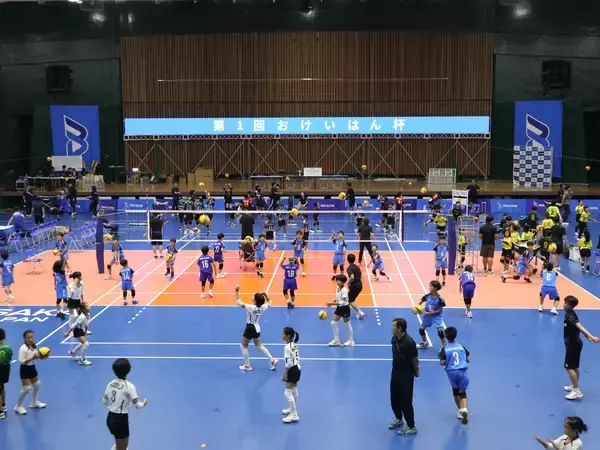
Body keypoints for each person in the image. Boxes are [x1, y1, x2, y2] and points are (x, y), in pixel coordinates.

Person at [103, 358, 148, 450]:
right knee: (123, 447)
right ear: (128, 371)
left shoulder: (110, 384)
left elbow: (104, 401)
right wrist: (144, 403)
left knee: (118, 442)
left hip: (110, 418)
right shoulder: (130, 387)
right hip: (120, 420)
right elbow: (137, 405)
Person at [562, 295, 599, 400]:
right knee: (575, 366)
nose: (565, 305)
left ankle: (576, 391)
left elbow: (580, 326)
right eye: (565, 303)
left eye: (567, 304)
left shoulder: (570, 315)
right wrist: (588, 337)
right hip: (575, 343)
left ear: (572, 306)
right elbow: (577, 329)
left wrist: (591, 336)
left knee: (569, 367)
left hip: (573, 345)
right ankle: (574, 386)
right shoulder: (570, 314)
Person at [235, 285, 277, 372]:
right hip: (257, 327)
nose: (252, 297)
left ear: (255, 300)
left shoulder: (251, 307)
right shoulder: (263, 307)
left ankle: (247, 366)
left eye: (253, 297)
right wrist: (266, 296)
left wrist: (237, 291)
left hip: (250, 327)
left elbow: (238, 302)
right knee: (259, 346)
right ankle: (272, 360)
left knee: (243, 346)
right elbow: (270, 302)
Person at [389, 318, 419, 436]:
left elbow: (415, 359)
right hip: (396, 372)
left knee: (406, 401)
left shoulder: (409, 342)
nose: (392, 327)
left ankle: (411, 426)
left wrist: (416, 370)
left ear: (400, 328)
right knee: (394, 398)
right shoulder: (394, 339)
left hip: (406, 375)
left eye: (393, 326)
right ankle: (398, 418)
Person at [439, 326, 470, 424]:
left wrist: (446, 362)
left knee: (455, 392)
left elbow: (442, 362)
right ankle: (465, 409)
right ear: (455, 335)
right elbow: (468, 359)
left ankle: (460, 410)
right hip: (462, 371)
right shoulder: (461, 346)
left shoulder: (444, 348)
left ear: (446, 336)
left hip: (452, 372)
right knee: (463, 393)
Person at [15, 330, 46, 415]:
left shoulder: (34, 346)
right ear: (24, 339)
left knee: (37, 384)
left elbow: (35, 356)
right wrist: (33, 358)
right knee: (27, 388)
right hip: (25, 369)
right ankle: (18, 406)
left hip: (32, 367)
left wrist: (42, 356)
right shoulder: (23, 348)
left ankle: (34, 402)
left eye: (32, 337)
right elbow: (21, 361)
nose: (30, 339)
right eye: (28, 338)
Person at [416, 281, 446, 349]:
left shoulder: (440, 299)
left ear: (435, 288)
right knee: (421, 330)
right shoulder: (427, 296)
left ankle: (444, 346)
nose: (429, 287)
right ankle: (424, 343)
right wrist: (419, 310)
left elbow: (439, 310)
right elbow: (419, 304)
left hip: (436, 316)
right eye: (430, 286)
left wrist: (427, 313)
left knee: (440, 331)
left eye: (431, 286)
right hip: (427, 316)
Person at [326, 275, 354, 347]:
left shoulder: (344, 290)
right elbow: (338, 298)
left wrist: (331, 303)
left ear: (343, 282)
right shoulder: (338, 288)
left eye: (339, 281)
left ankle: (351, 341)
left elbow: (343, 302)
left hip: (345, 308)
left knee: (347, 324)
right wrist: (333, 302)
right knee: (333, 323)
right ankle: (337, 340)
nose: (337, 282)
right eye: (337, 280)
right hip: (339, 308)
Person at [281, 327, 301, 424]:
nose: (282, 336)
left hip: (292, 370)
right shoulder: (294, 344)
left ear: (288, 336)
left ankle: (294, 415)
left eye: (283, 334)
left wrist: (284, 374)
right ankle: (291, 409)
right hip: (297, 368)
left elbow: (288, 363)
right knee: (294, 390)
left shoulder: (287, 347)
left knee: (287, 392)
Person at [64, 302, 92, 366]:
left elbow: (86, 324)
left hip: (82, 330)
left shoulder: (88, 315)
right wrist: (68, 332)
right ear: (84, 309)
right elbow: (74, 325)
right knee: (86, 344)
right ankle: (82, 360)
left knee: (83, 343)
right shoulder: (81, 317)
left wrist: (85, 333)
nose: (89, 307)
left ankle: (73, 352)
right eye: (87, 306)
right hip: (77, 330)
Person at [346, 254, 366, 320]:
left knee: (350, 300)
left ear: (347, 260)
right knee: (350, 299)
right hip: (359, 285)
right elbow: (360, 275)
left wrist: (348, 283)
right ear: (354, 260)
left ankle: (360, 313)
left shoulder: (349, 268)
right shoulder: (357, 267)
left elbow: (352, 277)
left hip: (355, 286)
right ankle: (357, 313)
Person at [0, 328, 13, 420]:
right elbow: (9, 357)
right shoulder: (8, 347)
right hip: (5, 369)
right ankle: (3, 405)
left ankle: (0, 412)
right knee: (1, 386)